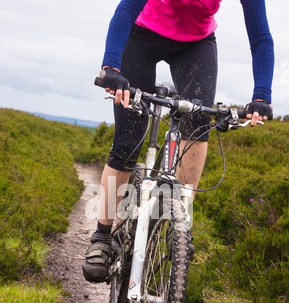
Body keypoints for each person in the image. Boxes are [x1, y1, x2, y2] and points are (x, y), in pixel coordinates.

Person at [83, 0, 274, 283]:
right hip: (142, 35)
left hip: (195, 44)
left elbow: (260, 36)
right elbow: (126, 9)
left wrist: (261, 96)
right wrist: (110, 66)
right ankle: (101, 234)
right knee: (129, 138)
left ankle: (180, 223)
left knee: (198, 122)